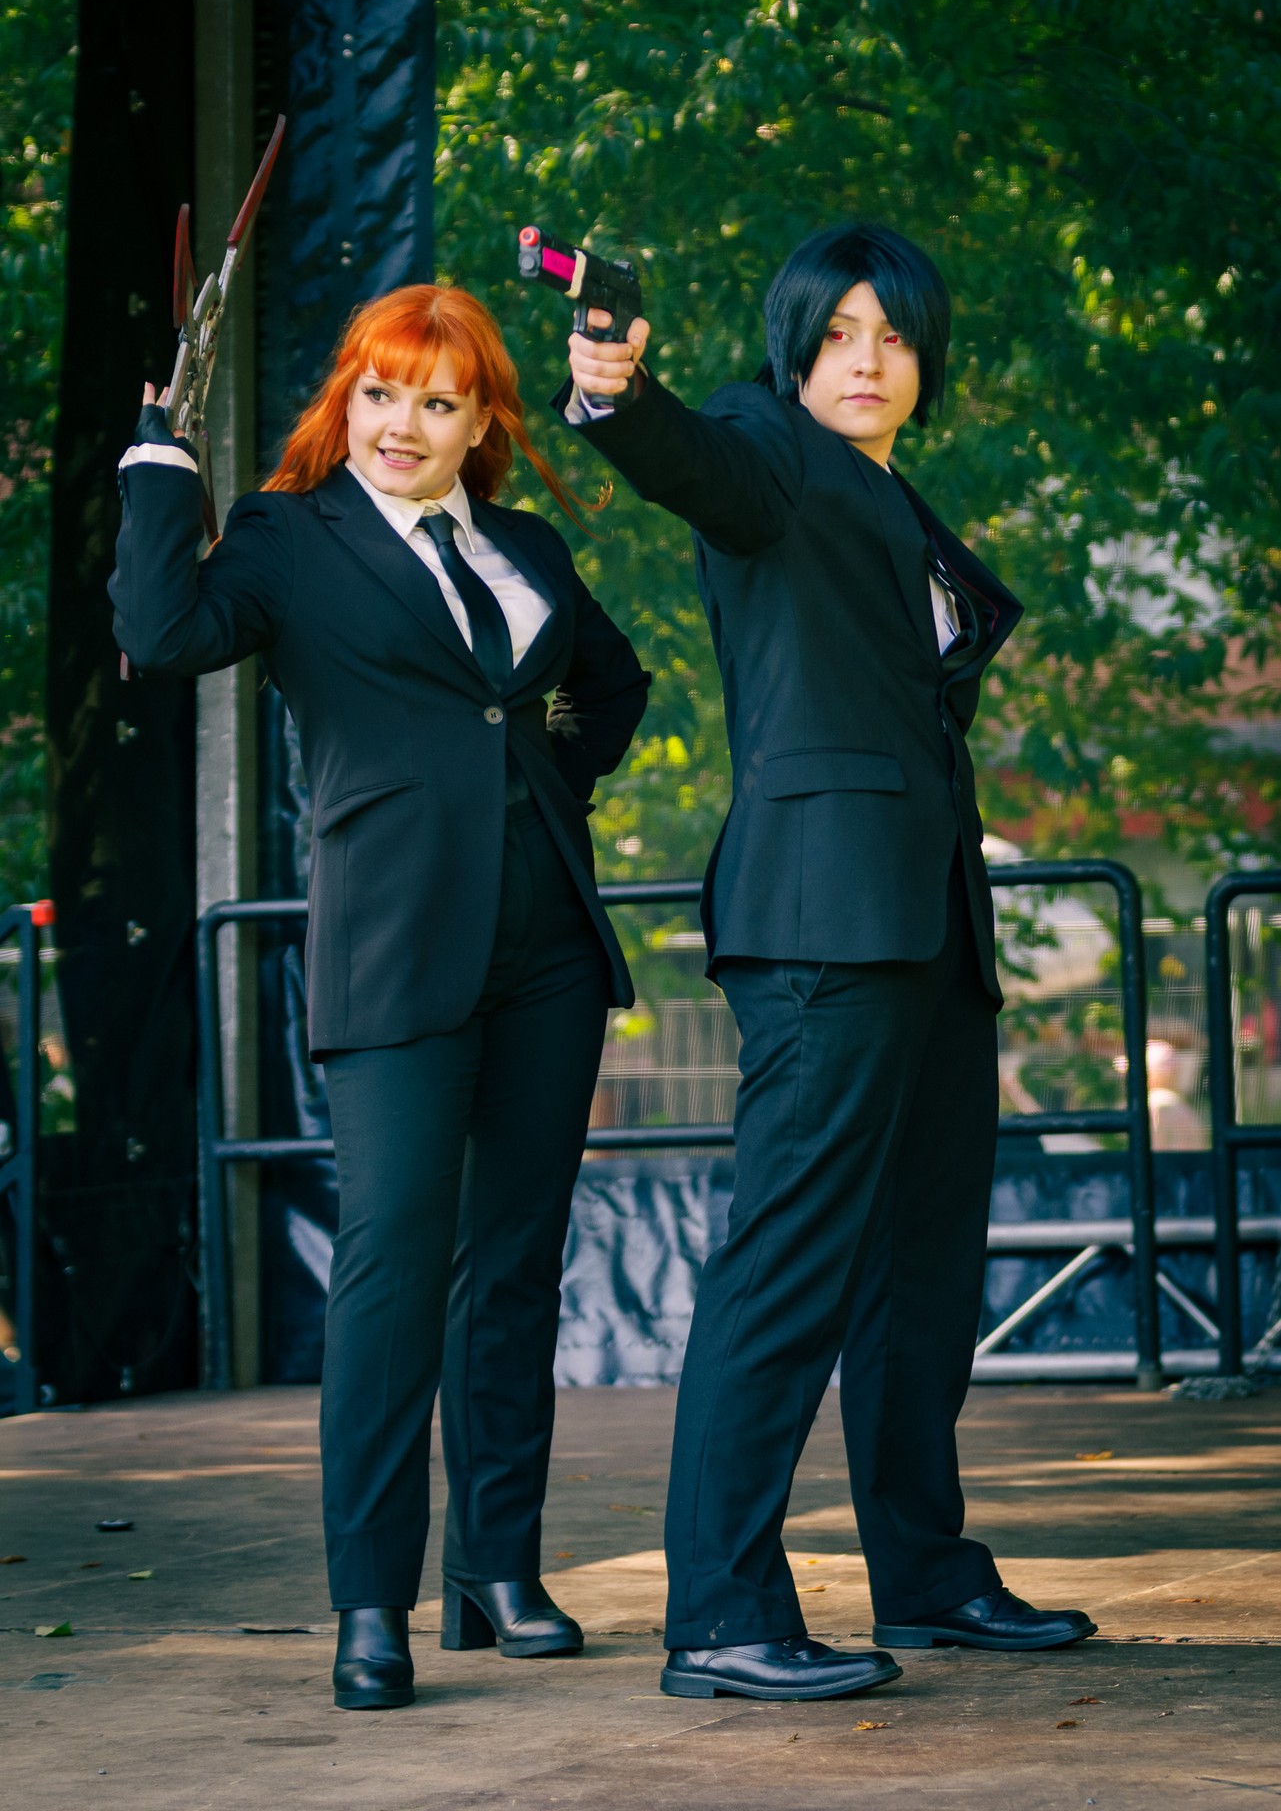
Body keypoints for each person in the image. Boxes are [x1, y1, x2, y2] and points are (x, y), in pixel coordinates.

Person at [557, 221, 1096, 1703]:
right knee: (789, 1262)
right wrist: (615, 386)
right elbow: (693, 462)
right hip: (821, 924)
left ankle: (924, 1572)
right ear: (794, 349)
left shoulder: (889, 493)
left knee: (922, 1272)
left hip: (931, 925)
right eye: (841, 332)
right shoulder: (769, 447)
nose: (869, 361)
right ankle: (722, 1616)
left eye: (896, 337)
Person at [111, 283, 649, 1711]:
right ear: (344, 400)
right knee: (392, 1267)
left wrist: (540, 784)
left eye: (436, 401)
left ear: (480, 423)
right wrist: (161, 460)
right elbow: (160, 630)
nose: (401, 423)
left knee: (514, 1266)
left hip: (546, 952)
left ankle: (499, 1571)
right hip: (395, 949)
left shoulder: (525, 549)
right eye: (378, 391)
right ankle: (371, 1603)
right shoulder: (290, 538)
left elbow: (611, 685)